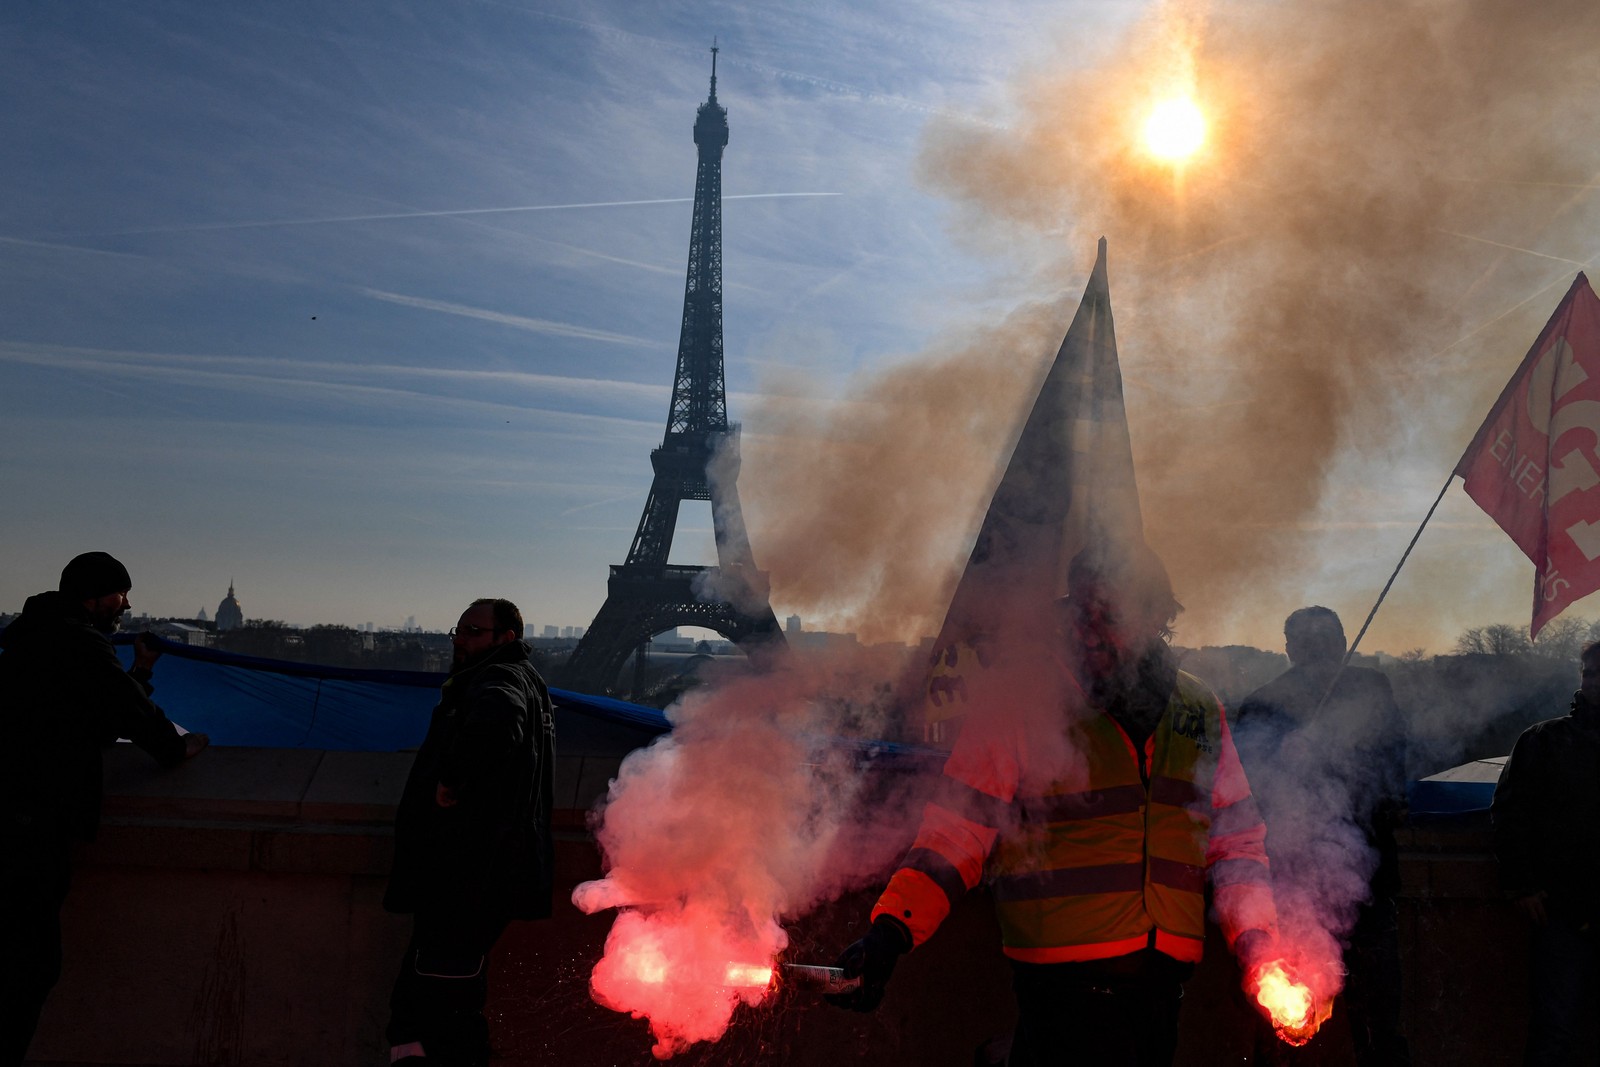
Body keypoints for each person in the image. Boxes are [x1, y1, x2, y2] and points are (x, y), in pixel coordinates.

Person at [829, 543, 1282, 1066]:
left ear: (1157, 615)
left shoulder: (1201, 708)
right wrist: (891, 931)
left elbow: (1237, 844)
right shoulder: (1020, 701)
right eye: (1081, 611)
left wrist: (1257, 944)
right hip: (1061, 995)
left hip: (1159, 995)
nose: (1089, 630)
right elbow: (957, 833)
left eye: (1107, 613)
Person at [0, 551, 209, 1066]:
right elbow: (127, 712)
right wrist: (176, 747)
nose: (126, 603)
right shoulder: (78, 643)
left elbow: (92, 706)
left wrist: (138, 669)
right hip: (32, 823)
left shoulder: (30, 636)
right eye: (119, 593)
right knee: (30, 965)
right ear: (92, 597)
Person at [1233, 606, 1411, 1066]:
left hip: (1367, 876)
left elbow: (1393, 765)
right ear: (1290, 648)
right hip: (1293, 884)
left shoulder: (1370, 689)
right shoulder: (1263, 703)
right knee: (1286, 1017)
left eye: (1325, 639)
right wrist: (1288, 756)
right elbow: (1246, 788)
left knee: (1378, 1017)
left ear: (1342, 642)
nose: (1315, 650)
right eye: (1305, 641)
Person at [384, 598, 555, 1067]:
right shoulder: (520, 678)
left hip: (470, 868)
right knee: (450, 989)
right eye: (458, 629)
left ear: (506, 639)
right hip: (486, 866)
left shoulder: (498, 680)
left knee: (440, 989)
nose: (461, 639)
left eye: (474, 631)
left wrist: (452, 778)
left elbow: (498, 723)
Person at [1492, 638, 1600, 1066]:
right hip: (1561, 911)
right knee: (1553, 1033)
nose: (1596, 681)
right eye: (1591, 672)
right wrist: (1522, 884)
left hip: (1564, 909)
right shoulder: (1543, 740)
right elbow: (1510, 815)